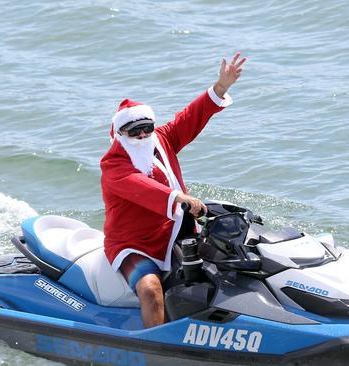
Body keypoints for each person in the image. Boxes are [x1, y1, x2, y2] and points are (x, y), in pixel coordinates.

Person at [100, 52, 246, 328]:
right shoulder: (112, 164)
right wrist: (177, 197)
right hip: (133, 244)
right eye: (134, 131)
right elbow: (139, 186)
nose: (143, 136)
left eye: (147, 128)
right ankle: (155, 347)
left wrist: (220, 87)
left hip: (173, 234)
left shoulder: (162, 141)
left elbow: (191, 117)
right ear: (120, 134)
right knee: (151, 290)